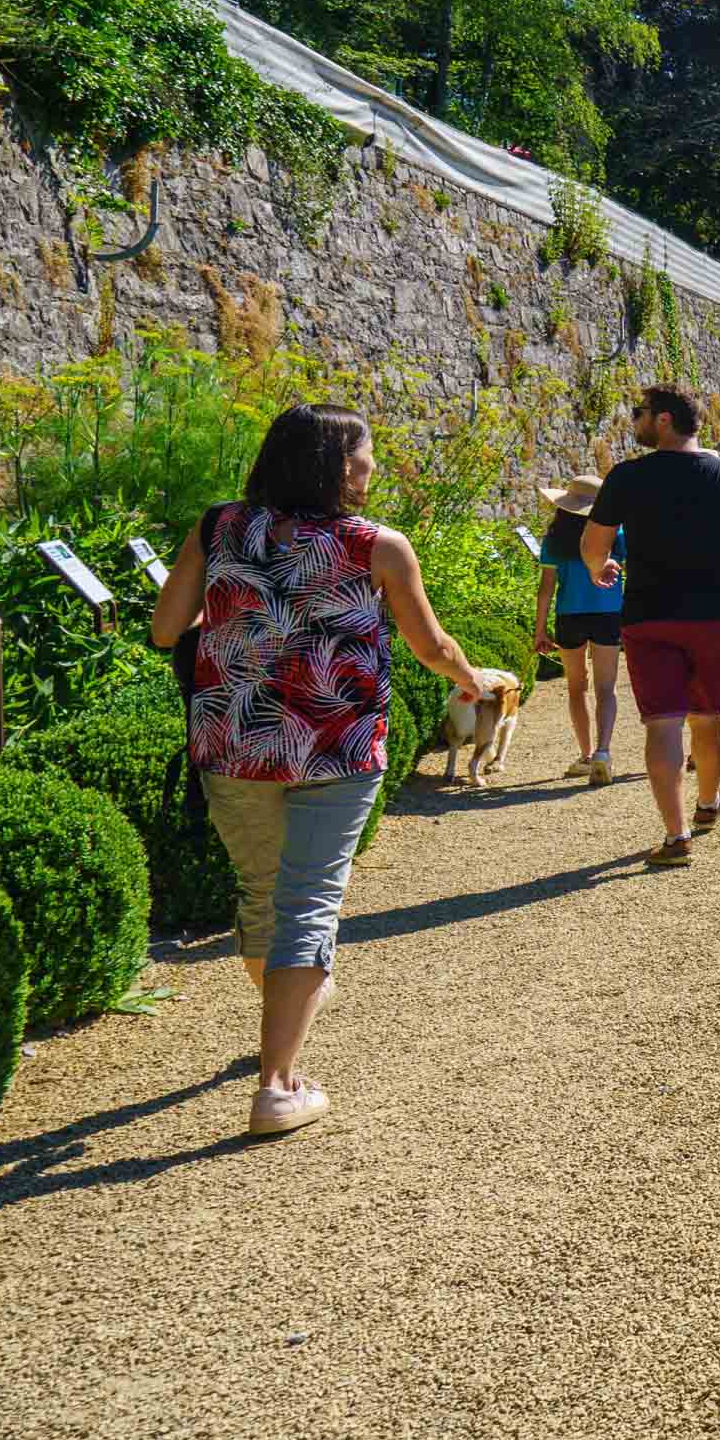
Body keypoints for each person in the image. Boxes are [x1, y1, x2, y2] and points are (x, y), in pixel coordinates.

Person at [148, 403, 486, 1139]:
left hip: (234, 741)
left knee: (265, 892)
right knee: (308, 905)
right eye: (363, 457)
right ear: (335, 463)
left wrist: (249, 623)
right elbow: (429, 643)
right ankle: (277, 1084)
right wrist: (470, 679)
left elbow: (165, 627)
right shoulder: (378, 546)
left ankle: (283, 1013)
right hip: (337, 746)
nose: (370, 470)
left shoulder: (218, 526)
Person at [584, 383, 720, 869]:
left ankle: (676, 836)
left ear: (664, 419)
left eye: (640, 413)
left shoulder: (626, 477)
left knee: (662, 723)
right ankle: (708, 804)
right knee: (708, 716)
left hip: (648, 616)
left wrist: (597, 568)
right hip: (713, 614)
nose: (636, 421)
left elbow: (593, 541)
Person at [532, 473, 625, 784]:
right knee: (606, 688)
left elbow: (546, 589)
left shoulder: (554, 537)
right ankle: (602, 752)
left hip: (569, 615)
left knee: (576, 687)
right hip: (609, 613)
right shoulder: (617, 534)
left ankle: (585, 755)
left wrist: (539, 630)